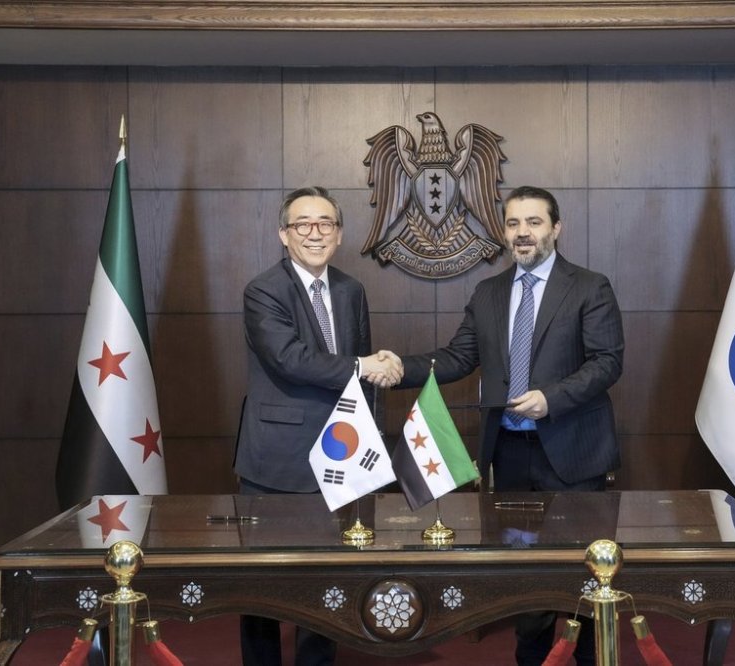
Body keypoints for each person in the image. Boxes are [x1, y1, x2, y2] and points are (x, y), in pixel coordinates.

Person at [399, 185, 624, 666]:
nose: (523, 233)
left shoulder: (590, 286)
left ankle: (589, 658)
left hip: (573, 454)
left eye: (534, 222)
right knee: (526, 577)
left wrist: (551, 398)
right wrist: (398, 367)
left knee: (585, 576)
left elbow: (607, 362)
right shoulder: (489, 293)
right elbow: (458, 357)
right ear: (504, 232)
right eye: (514, 223)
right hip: (509, 456)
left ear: (556, 229)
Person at [235, 186, 401, 666]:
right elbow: (289, 359)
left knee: (328, 584)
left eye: (325, 223)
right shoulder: (264, 290)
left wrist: (372, 442)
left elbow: (361, 377)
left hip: (341, 457)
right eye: (302, 224)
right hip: (277, 462)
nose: (314, 233)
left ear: (339, 234)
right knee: (262, 589)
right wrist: (366, 365)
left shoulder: (351, 290)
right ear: (283, 234)